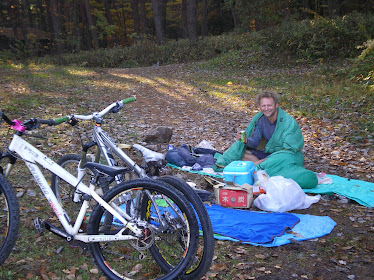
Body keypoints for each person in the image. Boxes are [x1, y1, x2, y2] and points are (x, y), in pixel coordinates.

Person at [235, 91, 284, 165]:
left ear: (276, 105)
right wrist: (245, 140)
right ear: (260, 107)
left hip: (280, 155)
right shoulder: (261, 120)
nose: (266, 108)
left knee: (281, 158)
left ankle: (258, 164)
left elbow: (289, 147)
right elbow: (255, 142)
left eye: (269, 105)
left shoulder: (284, 121)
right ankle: (260, 164)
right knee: (239, 152)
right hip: (266, 153)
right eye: (263, 106)